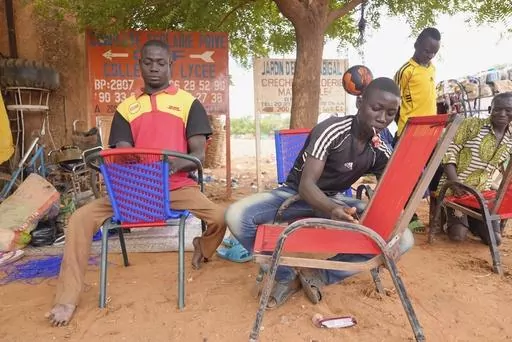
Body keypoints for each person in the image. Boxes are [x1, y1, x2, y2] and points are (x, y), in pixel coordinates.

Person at [46, 40, 227, 326]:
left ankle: (202, 248)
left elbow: (197, 155)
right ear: (140, 64)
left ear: (170, 65)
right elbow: (122, 150)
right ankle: (66, 299)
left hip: (177, 186)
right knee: (79, 219)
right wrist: (136, 172)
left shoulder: (188, 103)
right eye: (148, 62)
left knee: (219, 217)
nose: (154, 68)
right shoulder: (126, 108)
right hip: (135, 189)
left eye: (160, 63)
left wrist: (165, 169)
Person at [225, 78, 414, 309]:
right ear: (359, 102)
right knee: (236, 216)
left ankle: (318, 275)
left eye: (391, 113)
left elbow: (391, 190)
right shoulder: (332, 130)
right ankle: (284, 275)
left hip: (334, 199)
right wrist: (333, 209)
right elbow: (306, 186)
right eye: (376, 108)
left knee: (402, 239)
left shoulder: (380, 148)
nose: (383, 118)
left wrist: (390, 213)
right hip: (294, 195)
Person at [436, 92, 512, 245]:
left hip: (482, 193)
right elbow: (447, 152)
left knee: (495, 240)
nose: (502, 114)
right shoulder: (471, 124)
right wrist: (455, 183)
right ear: (490, 109)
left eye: (508, 110)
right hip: (455, 188)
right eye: (498, 109)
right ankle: (450, 217)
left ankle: (471, 218)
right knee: (458, 236)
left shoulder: (510, 138)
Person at [394, 27, 441, 231]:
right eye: (426, 50)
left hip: (432, 133)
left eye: (433, 52)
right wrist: (404, 127)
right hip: (409, 134)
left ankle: (437, 218)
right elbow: (394, 103)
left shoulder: (432, 69)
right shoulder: (405, 71)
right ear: (416, 45)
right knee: (406, 179)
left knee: (437, 174)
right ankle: (411, 218)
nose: (429, 55)